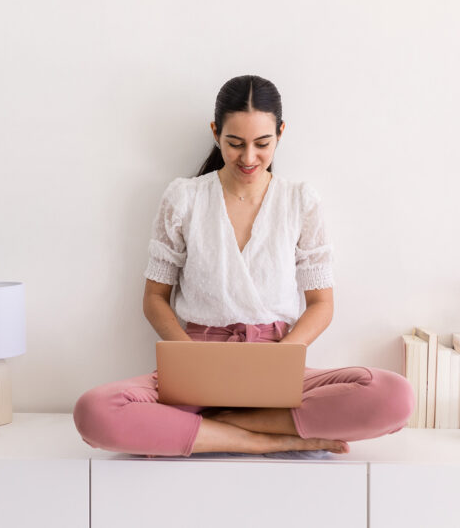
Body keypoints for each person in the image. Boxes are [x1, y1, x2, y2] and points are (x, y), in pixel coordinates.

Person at [73, 75, 414, 457]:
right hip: (196, 361)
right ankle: (264, 440)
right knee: (95, 412)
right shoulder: (184, 197)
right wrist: (190, 361)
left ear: (280, 133)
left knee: (395, 396)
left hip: (276, 360)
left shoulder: (300, 201)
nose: (248, 157)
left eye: (262, 144)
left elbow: (322, 303)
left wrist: (283, 357)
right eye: (234, 143)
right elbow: (154, 298)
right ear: (216, 132)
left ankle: (213, 426)